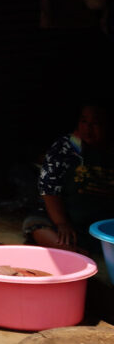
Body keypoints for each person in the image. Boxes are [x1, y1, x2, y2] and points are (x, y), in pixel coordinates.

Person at [24, 103, 114, 253]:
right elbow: (49, 187)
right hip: (70, 221)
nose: (88, 128)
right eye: (84, 121)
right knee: (35, 224)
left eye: (96, 123)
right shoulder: (66, 147)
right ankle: (74, 252)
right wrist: (62, 223)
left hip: (105, 224)